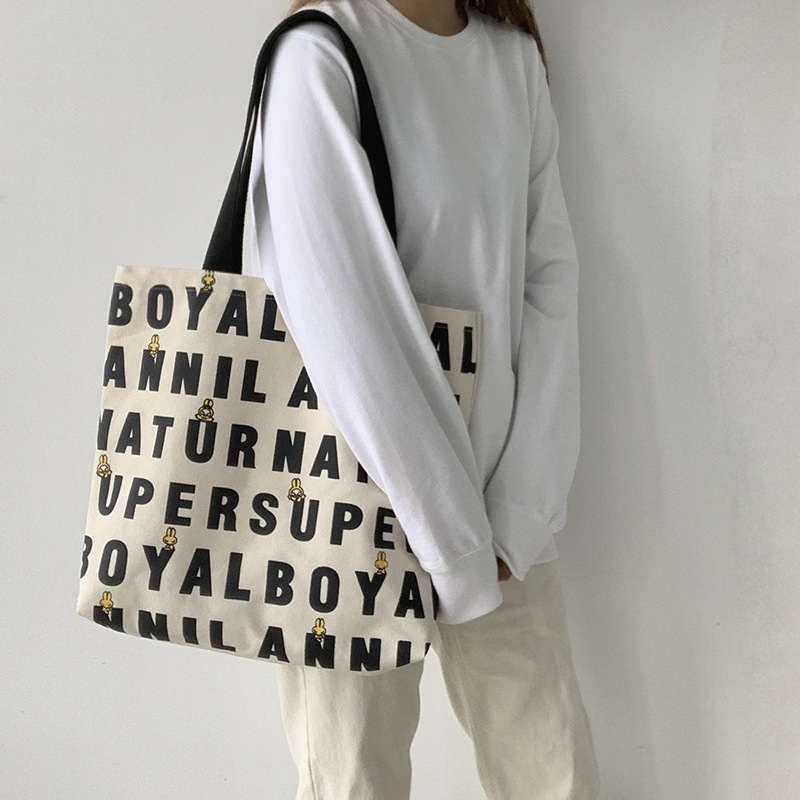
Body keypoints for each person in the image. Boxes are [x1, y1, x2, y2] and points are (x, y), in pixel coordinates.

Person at [247, 0, 601, 796]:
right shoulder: (318, 55)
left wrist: (520, 508)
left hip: (503, 516)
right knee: (354, 782)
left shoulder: (512, 61)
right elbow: (341, 319)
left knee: (559, 779)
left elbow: (550, 282)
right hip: (341, 513)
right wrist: (456, 539)